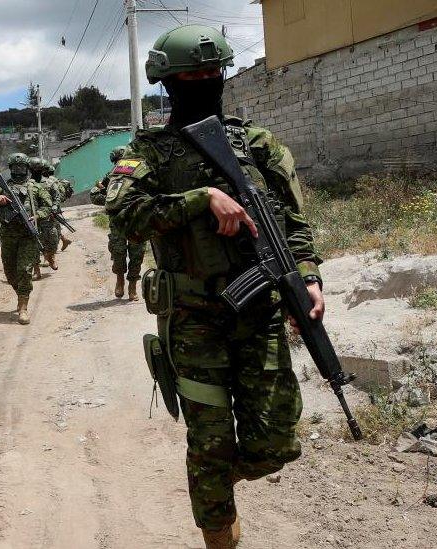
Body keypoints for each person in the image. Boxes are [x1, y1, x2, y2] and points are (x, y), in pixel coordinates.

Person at [104, 25, 325, 549]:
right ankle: (219, 529)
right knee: (209, 442)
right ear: (168, 82)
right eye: (190, 75)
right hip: (193, 319)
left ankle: (217, 480)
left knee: (278, 442)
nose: (203, 81)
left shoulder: (257, 144)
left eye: (211, 72)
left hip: (261, 313)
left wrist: (309, 278)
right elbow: (123, 212)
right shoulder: (151, 151)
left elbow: (293, 222)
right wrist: (200, 198)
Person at [0, 153, 53, 324]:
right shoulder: (1, 187)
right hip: (8, 235)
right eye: (15, 168)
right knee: (10, 274)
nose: (18, 171)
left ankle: (23, 307)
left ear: (27, 168)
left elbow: (48, 207)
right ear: (10, 169)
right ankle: (20, 294)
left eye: (22, 167)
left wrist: (37, 216)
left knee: (24, 270)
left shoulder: (35, 188)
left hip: (27, 236)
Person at [90, 145, 146, 300]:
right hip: (117, 221)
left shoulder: (142, 171)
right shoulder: (111, 175)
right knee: (118, 252)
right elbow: (94, 195)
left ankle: (133, 285)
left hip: (136, 220)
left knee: (137, 254)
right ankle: (120, 280)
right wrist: (111, 202)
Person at [28, 156, 58, 273]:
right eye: (34, 169)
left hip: (48, 217)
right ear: (30, 170)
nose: (37, 171)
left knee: (53, 239)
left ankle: (51, 257)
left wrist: (55, 207)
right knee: (34, 243)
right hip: (32, 218)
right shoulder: (28, 184)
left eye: (39, 169)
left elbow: (56, 198)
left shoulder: (49, 183)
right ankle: (37, 270)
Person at [43, 160, 74, 251]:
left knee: (50, 228)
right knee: (54, 225)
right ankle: (64, 240)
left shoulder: (48, 182)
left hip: (49, 207)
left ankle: (50, 251)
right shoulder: (57, 180)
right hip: (56, 206)